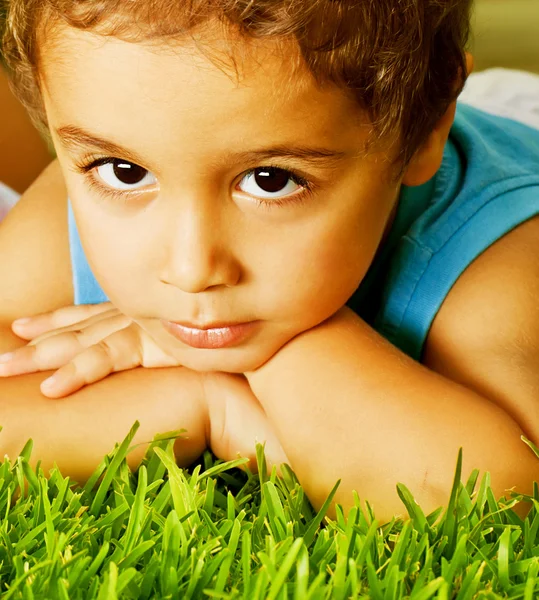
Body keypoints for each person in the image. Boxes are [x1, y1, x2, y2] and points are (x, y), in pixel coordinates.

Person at [0, 0, 538, 524]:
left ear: (426, 132)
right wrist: (202, 394)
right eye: (124, 172)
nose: (191, 269)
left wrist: (284, 355)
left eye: (271, 180)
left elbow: (493, 500)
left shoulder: (495, 256)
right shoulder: (84, 185)